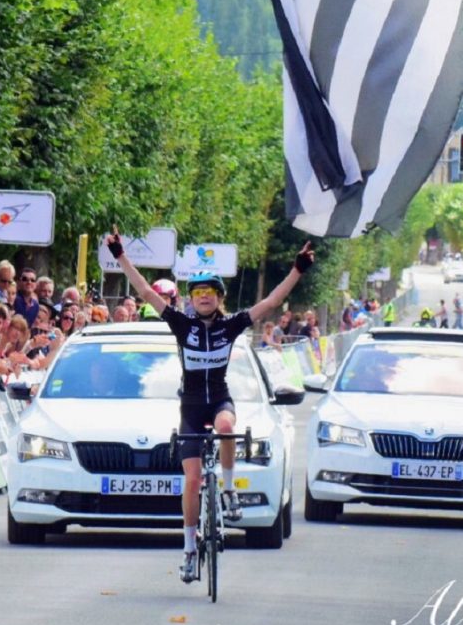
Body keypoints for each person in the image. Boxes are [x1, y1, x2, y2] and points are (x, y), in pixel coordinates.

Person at [106, 226, 313, 584]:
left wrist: (296, 270)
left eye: (210, 292)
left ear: (220, 297)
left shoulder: (231, 325)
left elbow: (270, 304)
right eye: (197, 292)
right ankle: (188, 548)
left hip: (219, 399)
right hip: (189, 407)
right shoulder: (180, 323)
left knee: (228, 427)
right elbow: (143, 290)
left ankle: (230, 491)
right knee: (192, 479)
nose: (203, 297)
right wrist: (121, 256)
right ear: (191, 298)